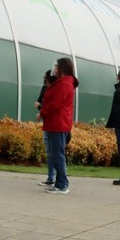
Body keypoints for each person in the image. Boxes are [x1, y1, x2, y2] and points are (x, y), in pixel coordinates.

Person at [37, 57, 78, 194]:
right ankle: (60, 183)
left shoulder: (65, 84)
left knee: (58, 154)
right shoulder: (63, 83)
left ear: (62, 68)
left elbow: (55, 104)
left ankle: (62, 185)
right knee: (56, 154)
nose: (54, 69)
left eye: (56, 66)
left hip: (58, 123)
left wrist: (42, 113)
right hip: (56, 123)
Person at [35, 70, 57, 186]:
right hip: (47, 124)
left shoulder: (56, 90)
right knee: (49, 152)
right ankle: (51, 177)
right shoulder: (45, 88)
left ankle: (59, 179)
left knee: (55, 152)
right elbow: (39, 103)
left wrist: (41, 110)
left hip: (54, 125)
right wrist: (41, 109)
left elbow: (51, 107)